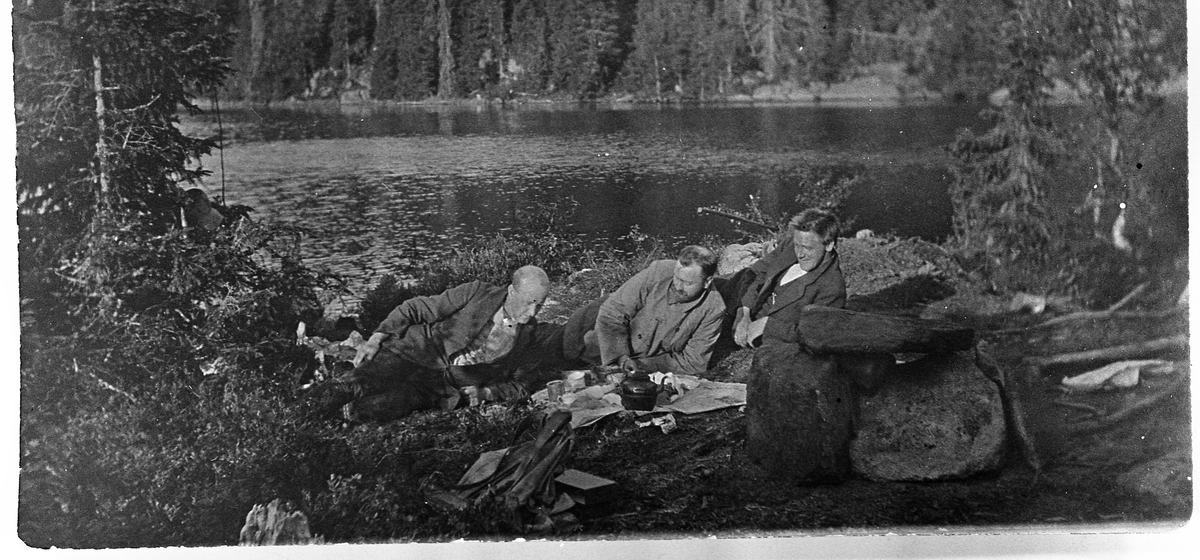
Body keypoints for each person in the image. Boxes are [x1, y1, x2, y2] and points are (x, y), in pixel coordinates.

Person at [307, 265, 562, 422]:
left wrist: (486, 393)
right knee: (356, 384)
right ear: (511, 291)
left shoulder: (529, 336)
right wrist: (376, 338)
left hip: (441, 387)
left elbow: (521, 384)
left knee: (381, 405)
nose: (533, 311)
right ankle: (292, 413)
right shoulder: (476, 292)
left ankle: (324, 424)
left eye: (539, 303)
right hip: (414, 353)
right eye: (528, 301)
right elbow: (416, 308)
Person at [561, 245, 726, 375]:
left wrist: (643, 365)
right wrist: (619, 357)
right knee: (558, 348)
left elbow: (693, 362)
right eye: (677, 277)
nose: (678, 286)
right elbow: (612, 313)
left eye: (687, 283)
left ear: (707, 281)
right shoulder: (657, 272)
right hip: (594, 332)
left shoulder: (713, 309)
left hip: (642, 360)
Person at [731, 208, 845, 348]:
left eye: (807, 248)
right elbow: (756, 272)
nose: (800, 254)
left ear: (829, 245)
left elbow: (816, 335)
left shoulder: (832, 288)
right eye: (797, 245)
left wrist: (768, 326)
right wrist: (744, 313)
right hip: (736, 306)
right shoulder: (791, 245)